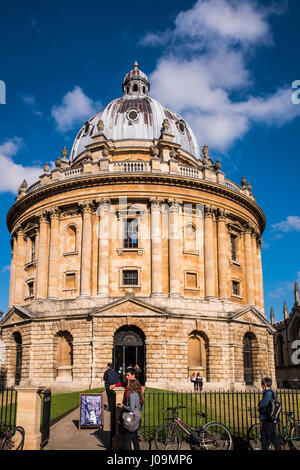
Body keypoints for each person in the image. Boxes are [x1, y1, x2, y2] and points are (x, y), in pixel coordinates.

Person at [118, 379, 144, 450]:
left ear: (131, 386)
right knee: (135, 440)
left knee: (127, 441)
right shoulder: (139, 394)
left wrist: (123, 406)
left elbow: (131, 408)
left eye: (129, 384)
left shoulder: (132, 395)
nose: (127, 385)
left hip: (130, 421)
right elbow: (141, 408)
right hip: (136, 420)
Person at [258, 376, 282, 450]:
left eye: (262, 384)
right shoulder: (271, 392)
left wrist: (259, 404)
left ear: (264, 385)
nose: (261, 386)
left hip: (268, 419)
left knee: (270, 438)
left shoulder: (268, 393)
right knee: (267, 438)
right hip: (270, 420)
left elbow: (262, 404)